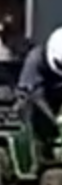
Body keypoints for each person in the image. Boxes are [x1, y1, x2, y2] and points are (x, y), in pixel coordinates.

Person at [17, 26, 62, 156]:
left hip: (57, 93)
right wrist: (55, 120)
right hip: (33, 100)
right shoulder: (35, 61)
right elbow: (37, 96)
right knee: (37, 122)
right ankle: (39, 154)